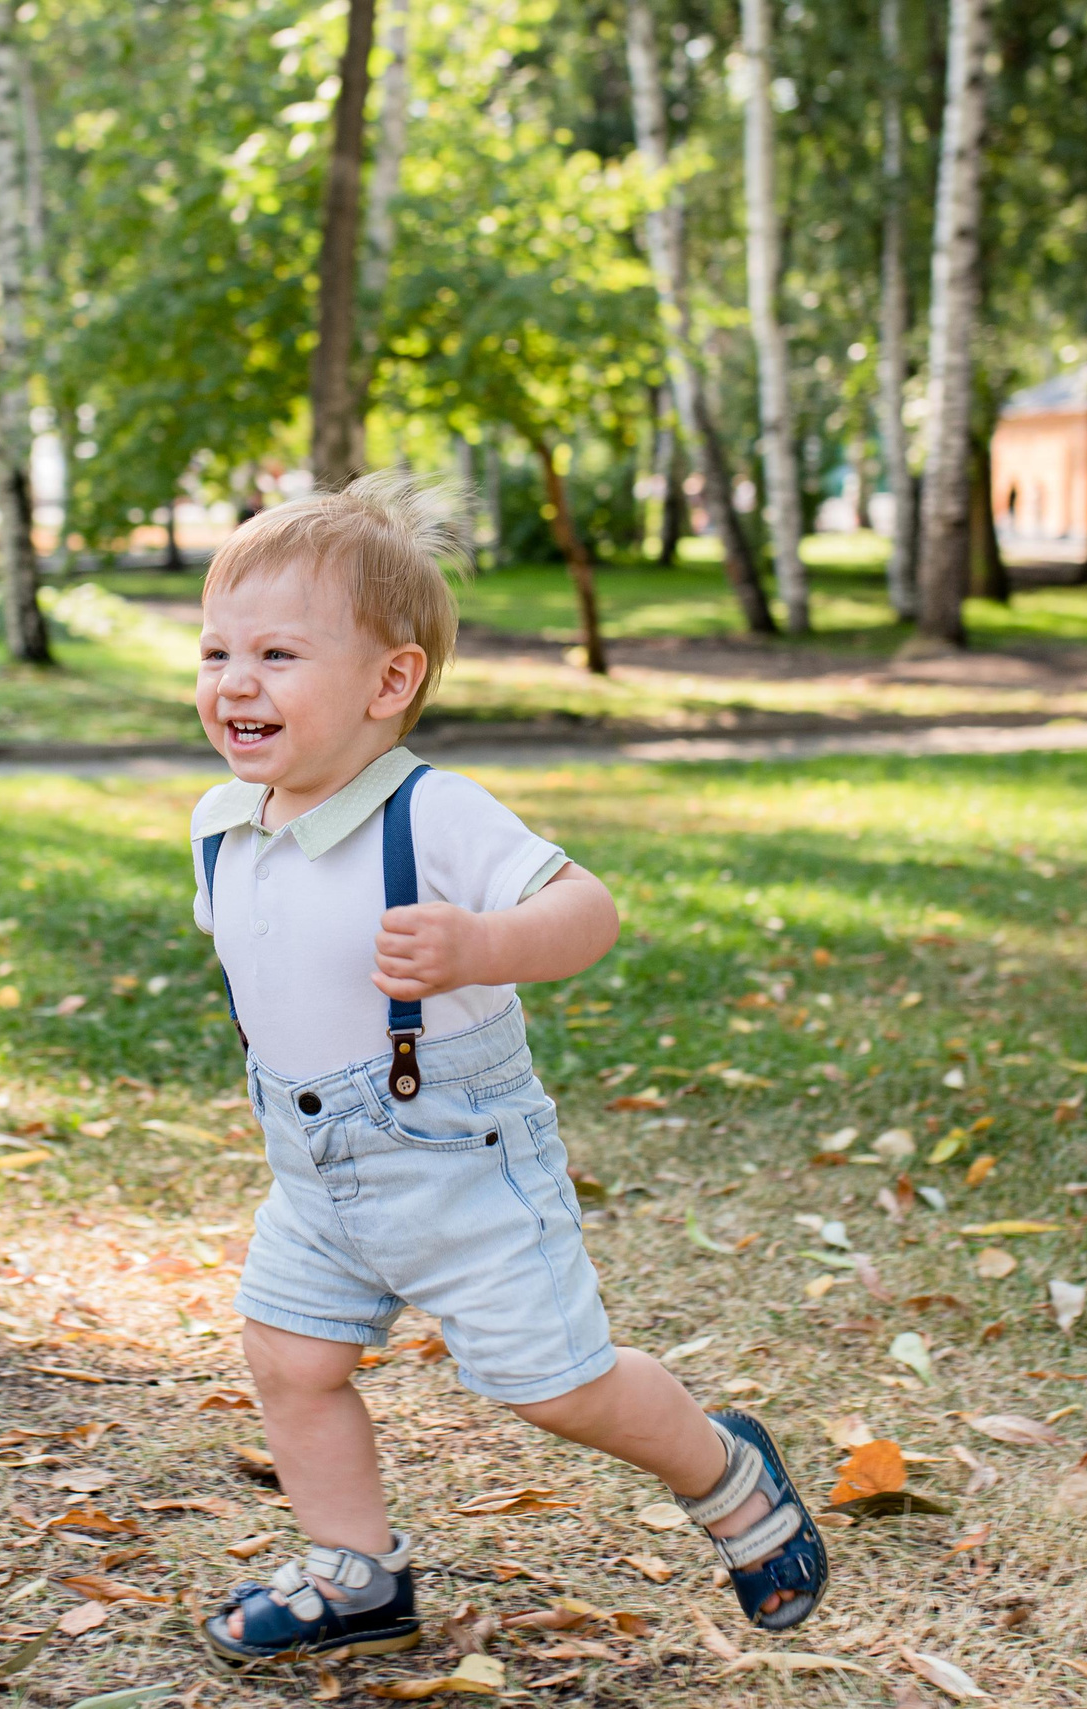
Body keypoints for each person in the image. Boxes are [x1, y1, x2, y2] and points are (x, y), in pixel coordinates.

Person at [188, 472, 826, 1665]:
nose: (235, 680)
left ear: (390, 683)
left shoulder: (431, 814)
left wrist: (482, 944)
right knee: (289, 1356)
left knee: (555, 1385)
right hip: (316, 1170)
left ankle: (726, 1471)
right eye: (217, 648)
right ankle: (354, 1570)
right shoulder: (223, 821)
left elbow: (589, 911)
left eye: (277, 653)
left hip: (456, 1159)